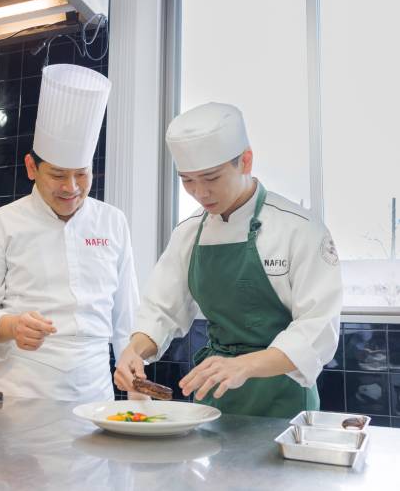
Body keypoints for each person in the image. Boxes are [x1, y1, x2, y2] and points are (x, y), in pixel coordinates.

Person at [114, 102, 342, 417]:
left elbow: (318, 328)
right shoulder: (188, 233)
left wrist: (244, 366)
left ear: (245, 161)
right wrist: (134, 351)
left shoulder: (300, 229)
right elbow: (161, 310)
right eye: (187, 180)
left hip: (283, 401)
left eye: (211, 178)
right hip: (214, 396)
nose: (200, 193)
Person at [0, 64, 139, 402]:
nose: (71, 187)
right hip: (22, 388)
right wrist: (12, 325)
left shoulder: (113, 221)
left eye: (81, 174)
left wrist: (137, 391)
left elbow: (126, 313)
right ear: (31, 168)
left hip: (95, 391)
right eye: (57, 175)